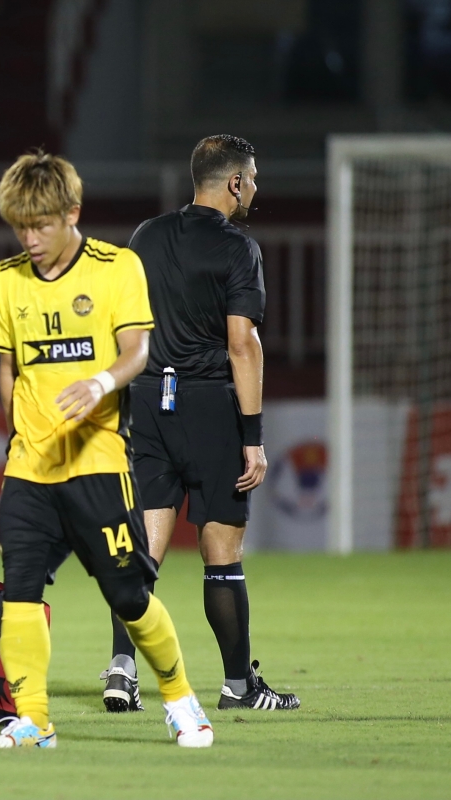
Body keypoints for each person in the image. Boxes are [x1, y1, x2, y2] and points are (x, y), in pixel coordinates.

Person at [0, 151, 213, 750]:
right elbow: (8, 367)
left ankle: (180, 699)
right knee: (19, 591)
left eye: (41, 225)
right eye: (20, 227)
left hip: (97, 462)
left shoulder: (116, 267)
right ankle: (35, 721)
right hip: (29, 467)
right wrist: (17, 433)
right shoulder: (7, 278)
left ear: (72, 213)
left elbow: (137, 351)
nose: (29, 239)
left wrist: (100, 383)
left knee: (129, 594)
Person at [103, 134, 299, 713]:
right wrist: (253, 437)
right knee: (222, 553)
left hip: (148, 403)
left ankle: (121, 669)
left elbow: (127, 324)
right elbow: (243, 344)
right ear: (234, 182)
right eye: (252, 177)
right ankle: (238, 686)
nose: (255, 187)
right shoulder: (239, 248)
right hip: (210, 407)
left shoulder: (146, 235)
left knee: (145, 550)